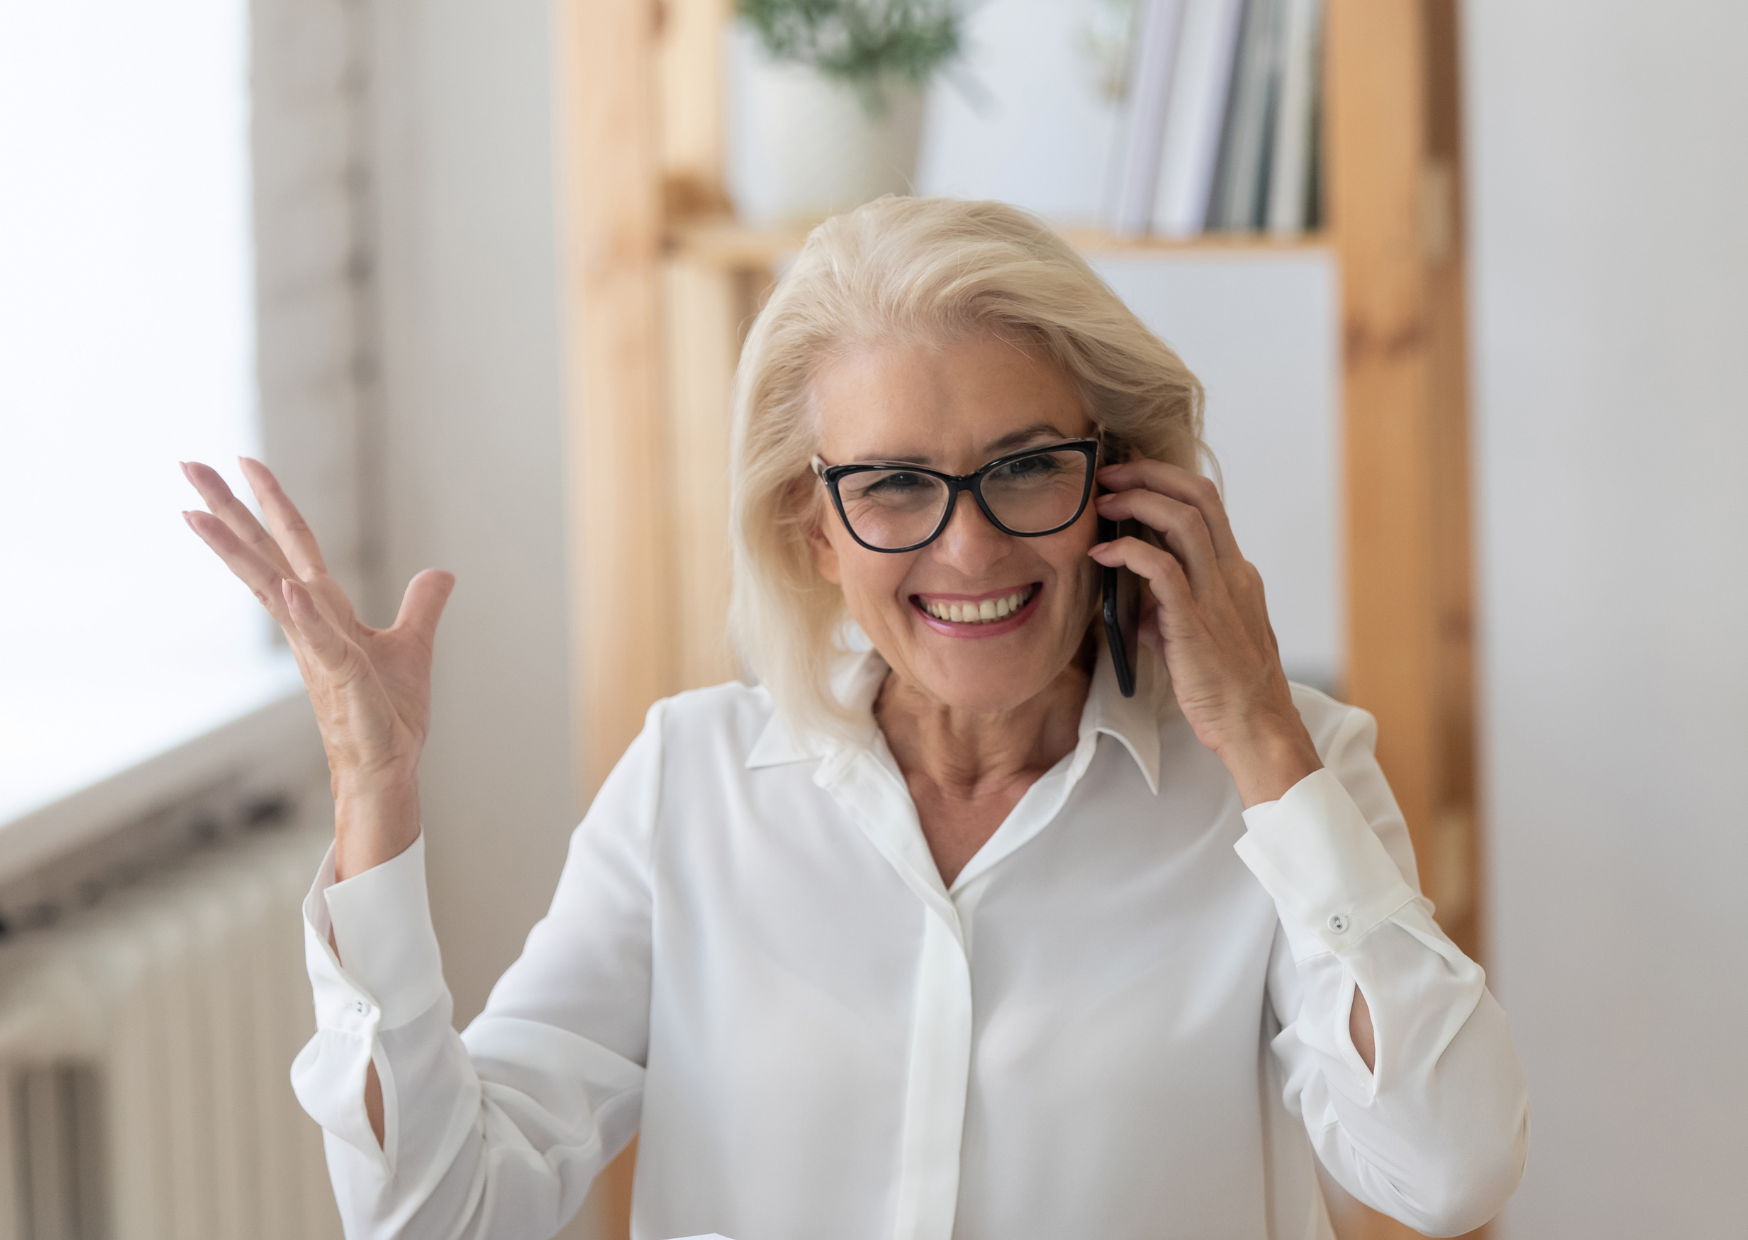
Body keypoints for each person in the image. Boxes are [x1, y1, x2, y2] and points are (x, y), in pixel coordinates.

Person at [183, 196, 1528, 1240]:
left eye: (1022, 468)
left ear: (1120, 484)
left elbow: (1445, 1169)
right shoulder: (690, 783)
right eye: (893, 486)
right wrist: (375, 797)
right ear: (812, 529)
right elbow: (442, 1213)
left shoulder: (1286, 787)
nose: (970, 549)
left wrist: (1268, 746)